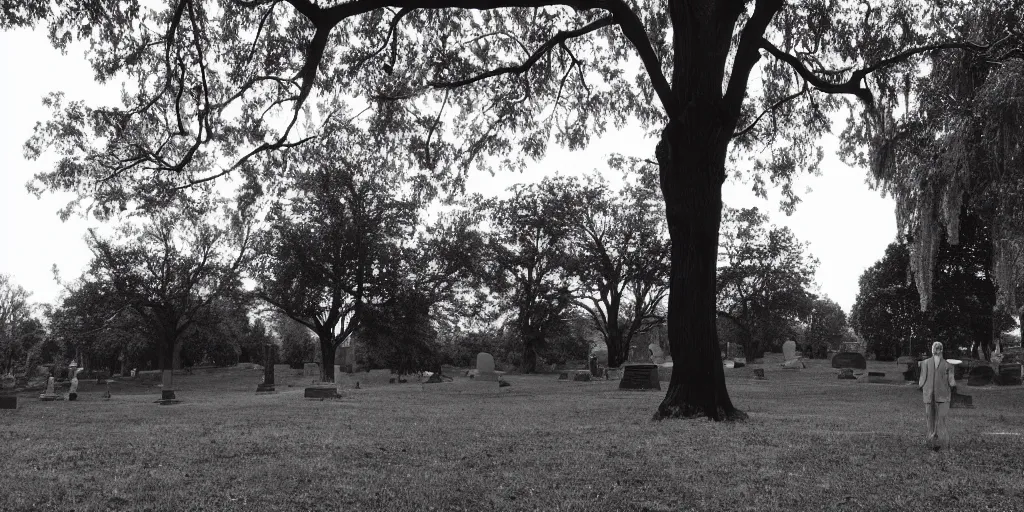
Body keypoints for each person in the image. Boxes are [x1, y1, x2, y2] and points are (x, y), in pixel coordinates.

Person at [918, 341, 956, 451]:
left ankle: (934, 444)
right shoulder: (948, 364)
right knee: (940, 421)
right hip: (940, 396)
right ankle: (941, 445)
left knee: (932, 421)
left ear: (932, 350)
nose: (936, 350)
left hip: (932, 396)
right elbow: (952, 382)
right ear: (941, 350)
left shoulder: (926, 363)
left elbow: (921, 381)